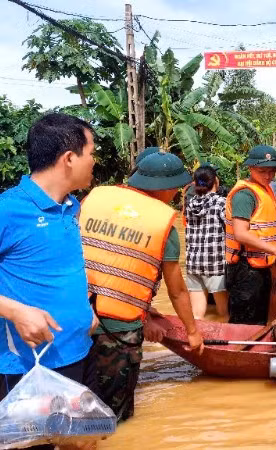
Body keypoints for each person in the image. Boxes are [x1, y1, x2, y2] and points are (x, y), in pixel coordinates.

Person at [81, 151, 204, 422]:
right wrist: (193, 332)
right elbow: (177, 291)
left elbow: (107, 264)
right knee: (113, 417)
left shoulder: (95, 198)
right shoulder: (162, 224)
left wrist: (147, 313)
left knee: (79, 404)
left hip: (75, 320)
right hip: (119, 332)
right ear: (166, 187)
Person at [0, 114, 99, 436]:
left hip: (76, 351)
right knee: (32, 443)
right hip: (28, 367)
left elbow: (58, 269)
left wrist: (86, 310)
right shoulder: (8, 210)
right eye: (92, 152)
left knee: (78, 441)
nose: (94, 161)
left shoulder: (71, 207)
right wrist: (15, 310)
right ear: (70, 158)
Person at [225, 145, 276, 325]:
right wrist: (275, 249)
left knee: (258, 322)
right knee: (243, 325)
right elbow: (241, 234)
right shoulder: (245, 195)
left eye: (272, 171)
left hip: (260, 267)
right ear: (250, 168)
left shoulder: (265, 190)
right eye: (262, 171)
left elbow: (261, 231)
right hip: (245, 269)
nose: (268, 176)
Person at [185, 166, 229, 321]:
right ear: (215, 181)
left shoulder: (190, 205)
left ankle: (198, 341)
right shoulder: (221, 203)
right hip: (214, 262)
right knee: (223, 313)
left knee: (197, 315)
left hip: (193, 262)